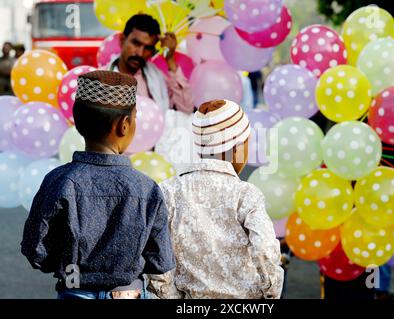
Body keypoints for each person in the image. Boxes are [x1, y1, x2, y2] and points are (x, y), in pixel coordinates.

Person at [21, 71, 177, 299]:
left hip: (75, 288)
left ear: (77, 121)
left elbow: (36, 249)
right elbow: (160, 259)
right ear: (125, 125)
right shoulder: (146, 188)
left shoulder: (59, 181)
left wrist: (68, 264)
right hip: (129, 292)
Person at [159, 99, 285, 299]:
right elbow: (265, 251)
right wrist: (270, 293)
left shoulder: (168, 191)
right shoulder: (245, 195)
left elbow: (158, 258)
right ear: (236, 148)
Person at [108, 14, 196, 165]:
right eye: (136, 43)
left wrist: (170, 59)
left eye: (148, 48)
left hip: (156, 162)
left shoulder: (156, 79)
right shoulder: (104, 80)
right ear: (122, 41)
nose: (140, 53)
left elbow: (186, 108)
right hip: (117, 164)